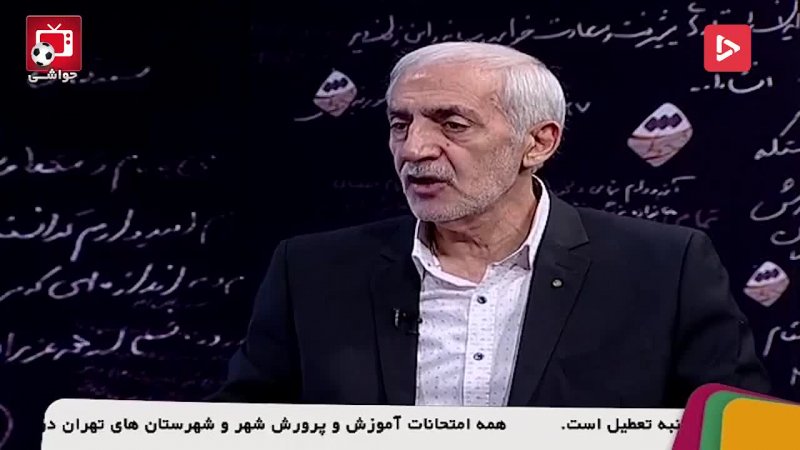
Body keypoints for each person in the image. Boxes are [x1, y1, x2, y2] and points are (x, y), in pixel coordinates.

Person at [210, 42, 770, 407]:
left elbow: (743, 431)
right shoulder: (312, 271)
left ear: (538, 143)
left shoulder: (663, 268)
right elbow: (241, 427)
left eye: (452, 124)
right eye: (400, 124)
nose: (414, 148)